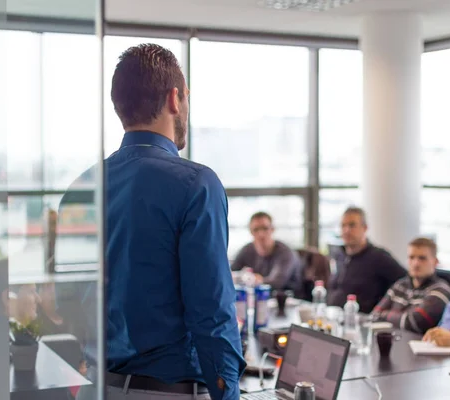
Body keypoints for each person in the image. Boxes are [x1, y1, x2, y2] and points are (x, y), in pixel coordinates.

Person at [78, 44, 245, 400]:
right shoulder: (196, 184)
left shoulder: (84, 186)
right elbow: (212, 314)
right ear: (174, 98)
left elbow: (73, 302)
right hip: (166, 392)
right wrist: (227, 394)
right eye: (187, 98)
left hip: (95, 386)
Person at [327, 207, 406, 314]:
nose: (346, 230)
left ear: (364, 228)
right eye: (343, 226)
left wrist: (384, 310)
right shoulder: (340, 255)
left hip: (362, 322)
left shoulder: (379, 257)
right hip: (334, 318)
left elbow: (405, 282)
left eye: (352, 225)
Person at [371, 238, 450, 334]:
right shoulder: (400, 285)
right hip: (393, 342)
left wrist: (385, 315)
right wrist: (402, 317)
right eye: (411, 257)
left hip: (417, 346)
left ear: (435, 262)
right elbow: (374, 315)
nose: (416, 263)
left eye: (422, 258)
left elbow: (416, 323)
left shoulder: (441, 290)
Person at [231, 212, 301, 291]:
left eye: (265, 228)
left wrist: (254, 279)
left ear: (272, 229)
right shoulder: (246, 250)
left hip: (287, 299)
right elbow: (230, 274)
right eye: (256, 229)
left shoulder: (285, 253)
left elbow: (277, 282)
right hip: (257, 299)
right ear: (251, 232)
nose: (261, 234)